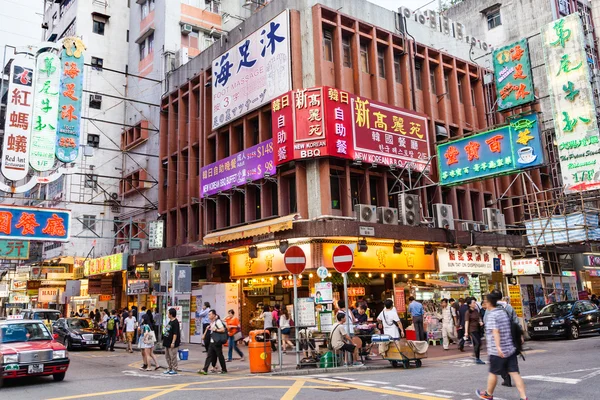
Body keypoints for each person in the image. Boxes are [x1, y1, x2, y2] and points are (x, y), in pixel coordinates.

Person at [476, 292, 528, 400]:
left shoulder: (491, 315)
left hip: (497, 351)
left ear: (490, 303)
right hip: (510, 348)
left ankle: (488, 394)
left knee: (493, 373)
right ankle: (523, 397)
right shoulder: (503, 312)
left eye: (485, 302)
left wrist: (498, 347)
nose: (484, 304)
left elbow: (496, 331)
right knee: (515, 373)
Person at [199, 310, 228, 375]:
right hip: (212, 341)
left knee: (220, 356)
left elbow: (222, 329)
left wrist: (215, 329)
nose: (209, 316)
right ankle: (205, 369)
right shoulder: (213, 322)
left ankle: (224, 369)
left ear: (214, 315)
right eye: (208, 314)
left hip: (217, 342)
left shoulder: (218, 321)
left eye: (210, 314)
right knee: (209, 356)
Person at [464, 297, 485, 365]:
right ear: (469, 304)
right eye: (473, 302)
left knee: (479, 343)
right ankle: (477, 358)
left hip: (477, 329)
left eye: (475, 302)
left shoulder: (476, 310)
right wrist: (466, 332)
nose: (475, 304)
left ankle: (476, 356)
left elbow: (479, 318)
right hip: (472, 330)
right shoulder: (468, 312)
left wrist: (480, 322)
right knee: (477, 343)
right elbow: (466, 322)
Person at [163, 308, 181, 375]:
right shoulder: (170, 321)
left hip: (172, 342)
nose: (168, 314)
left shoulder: (175, 322)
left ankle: (174, 368)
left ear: (171, 314)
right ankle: (169, 367)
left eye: (168, 313)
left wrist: (173, 342)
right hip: (167, 342)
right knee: (167, 356)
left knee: (173, 356)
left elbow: (175, 333)